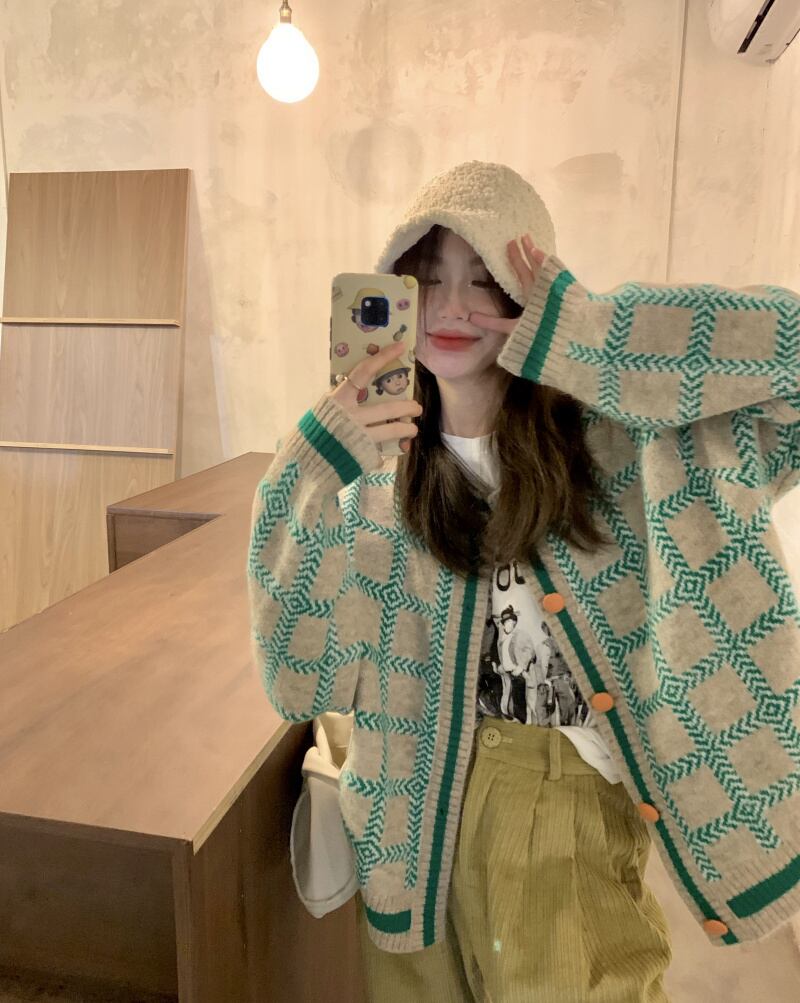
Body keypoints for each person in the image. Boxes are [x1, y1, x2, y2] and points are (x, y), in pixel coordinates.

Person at [248, 161, 800, 1002]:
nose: (450, 308)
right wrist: (305, 471)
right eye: (424, 280)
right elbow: (299, 682)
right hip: (406, 825)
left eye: (484, 279)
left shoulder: (625, 444)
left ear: (532, 293)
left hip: (562, 810)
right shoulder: (371, 477)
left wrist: (591, 332)